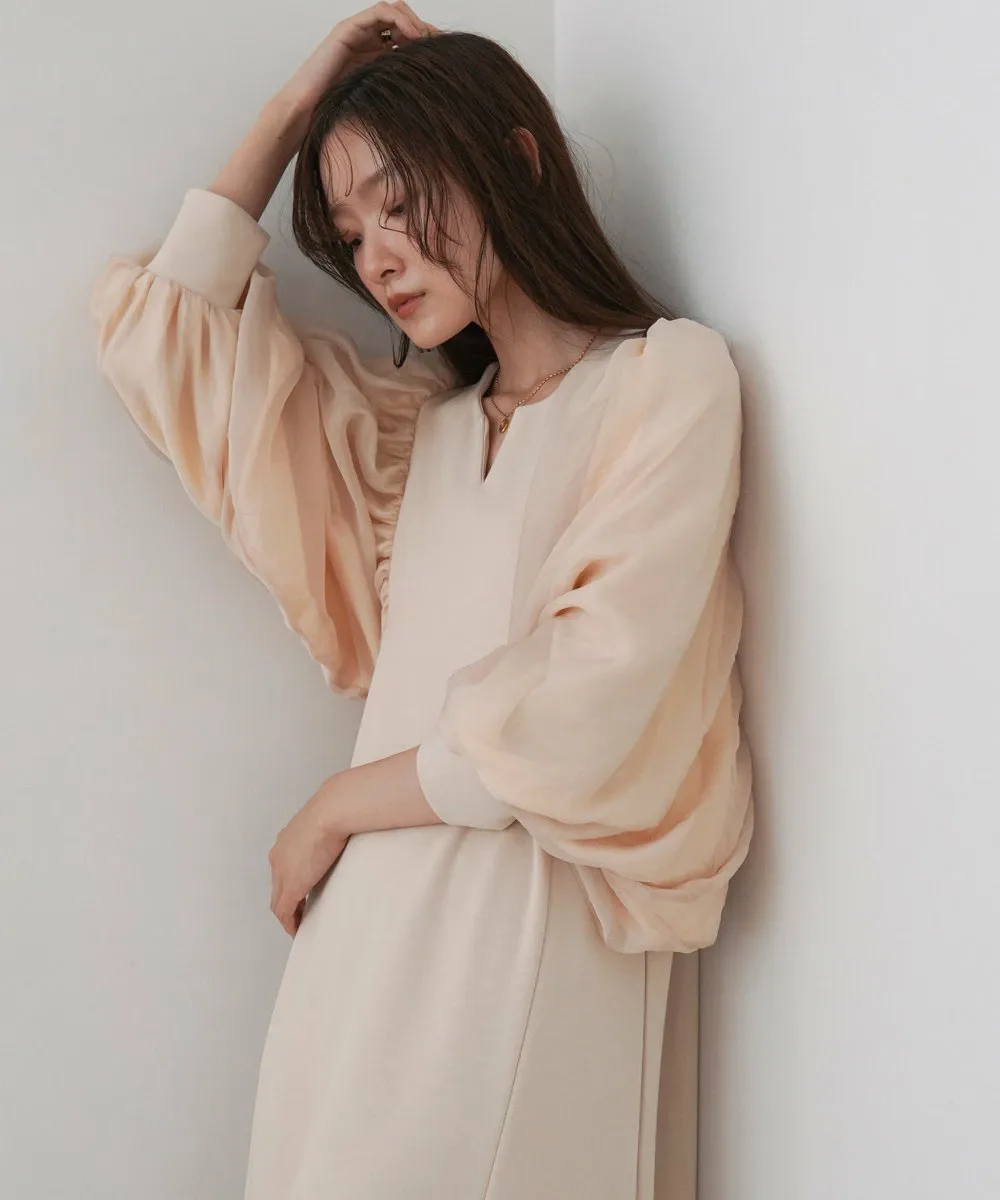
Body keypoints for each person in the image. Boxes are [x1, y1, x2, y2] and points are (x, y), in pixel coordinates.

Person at [89, 5, 754, 1197]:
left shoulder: (662, 384)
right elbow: (165, 344)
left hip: (525, 931)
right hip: (363, 948)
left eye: (399, 203)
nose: (376, 258)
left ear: (516, 161)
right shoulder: (413, 443)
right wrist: (296, 107)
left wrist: (335, 807)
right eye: (349, 233)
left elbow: (586, 700)